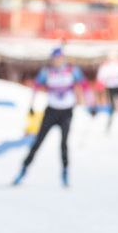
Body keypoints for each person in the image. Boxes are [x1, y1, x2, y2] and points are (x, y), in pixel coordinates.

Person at [13, 48, 87, 187]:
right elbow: (36, 86)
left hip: (66, 111)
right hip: (51, 110)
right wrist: (31, 105)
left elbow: (83, 84)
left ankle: (65, 172)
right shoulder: (47, 71)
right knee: (37, 142)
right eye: (54, 58)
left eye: (59, 58)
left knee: (64, 144)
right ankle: (23, 169)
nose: (57, 61)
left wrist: (88, 101)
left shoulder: (71, 70)